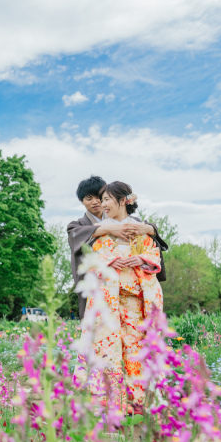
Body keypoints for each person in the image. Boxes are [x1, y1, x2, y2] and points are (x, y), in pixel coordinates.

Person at [87, 181, 164, 413]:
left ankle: (136, 402)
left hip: (135, 299)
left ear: (123, 201)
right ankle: (109, 402)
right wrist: (109, 260)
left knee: (134, 347)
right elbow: (93, 259)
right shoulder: (102, 230)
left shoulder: (140, 229)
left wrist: (142, 259)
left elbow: (154, 253)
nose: (103, 204)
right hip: (107, 301)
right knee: (107, 347)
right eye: (102, 200)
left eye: (108, 199)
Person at [67, 176, 167, 320]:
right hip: (101, 286)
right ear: (81, 201)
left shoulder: (133, 222)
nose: (96, 202)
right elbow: (78, 238)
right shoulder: (78, 225)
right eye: (89, 198)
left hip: (134, 287)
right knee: (99, 328)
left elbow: (151, 241)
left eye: (99, 198)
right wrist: (109, 229)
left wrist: (148, 228)